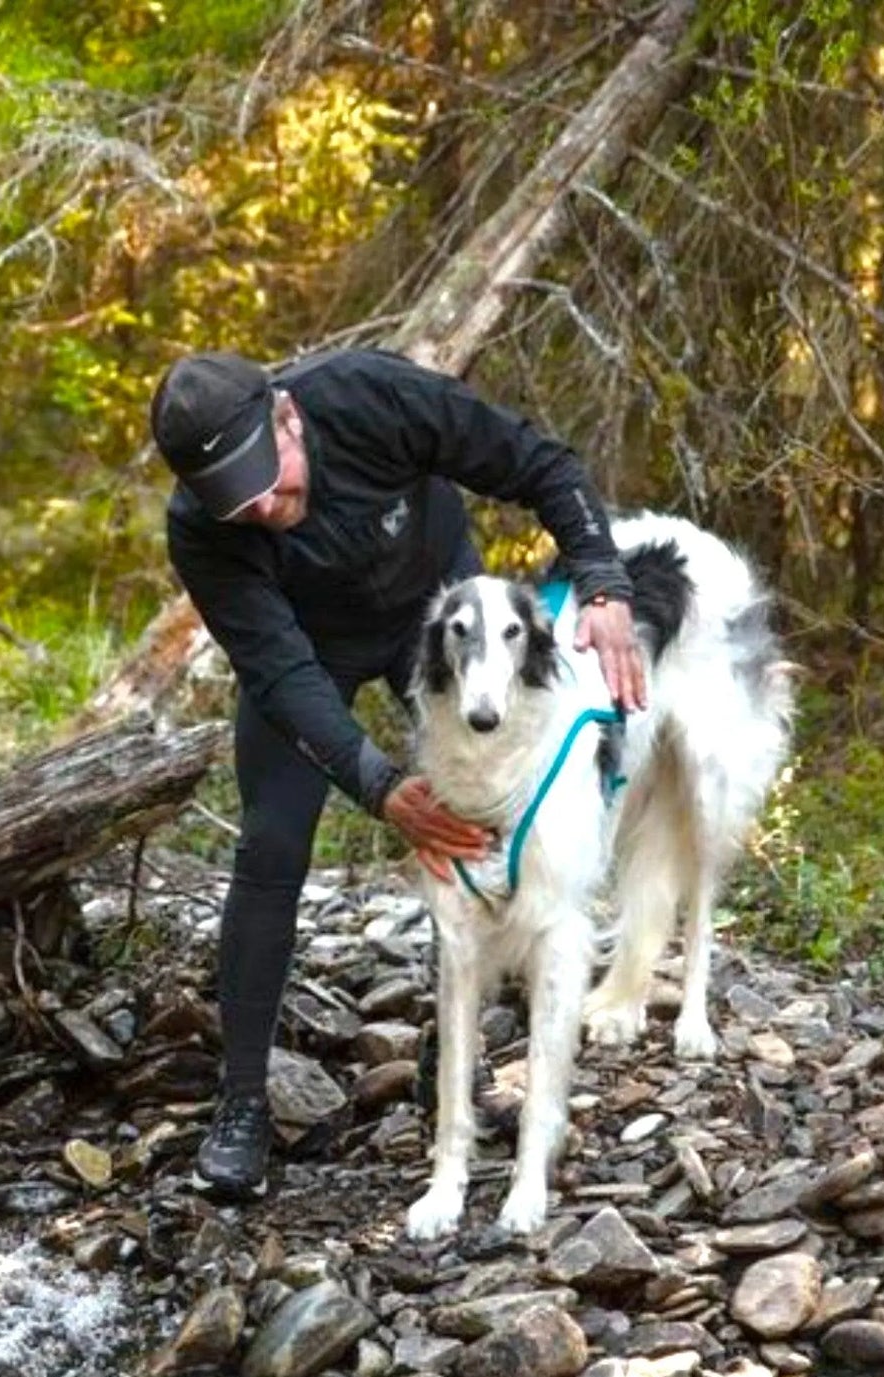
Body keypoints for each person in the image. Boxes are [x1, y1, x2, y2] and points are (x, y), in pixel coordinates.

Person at [150, 347, 646, 1198]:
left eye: (271, 477)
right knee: (270, 848)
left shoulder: (369, 397)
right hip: (312, 650)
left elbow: (539, 463)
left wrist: (600, 578)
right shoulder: (203, 532)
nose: (266, 506)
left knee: (493, 833)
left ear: (288, 418)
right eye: (241, 503)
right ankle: (241, 1104)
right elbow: (279, 674)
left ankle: (451, 1059)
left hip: (439, 609)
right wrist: (379, 784)